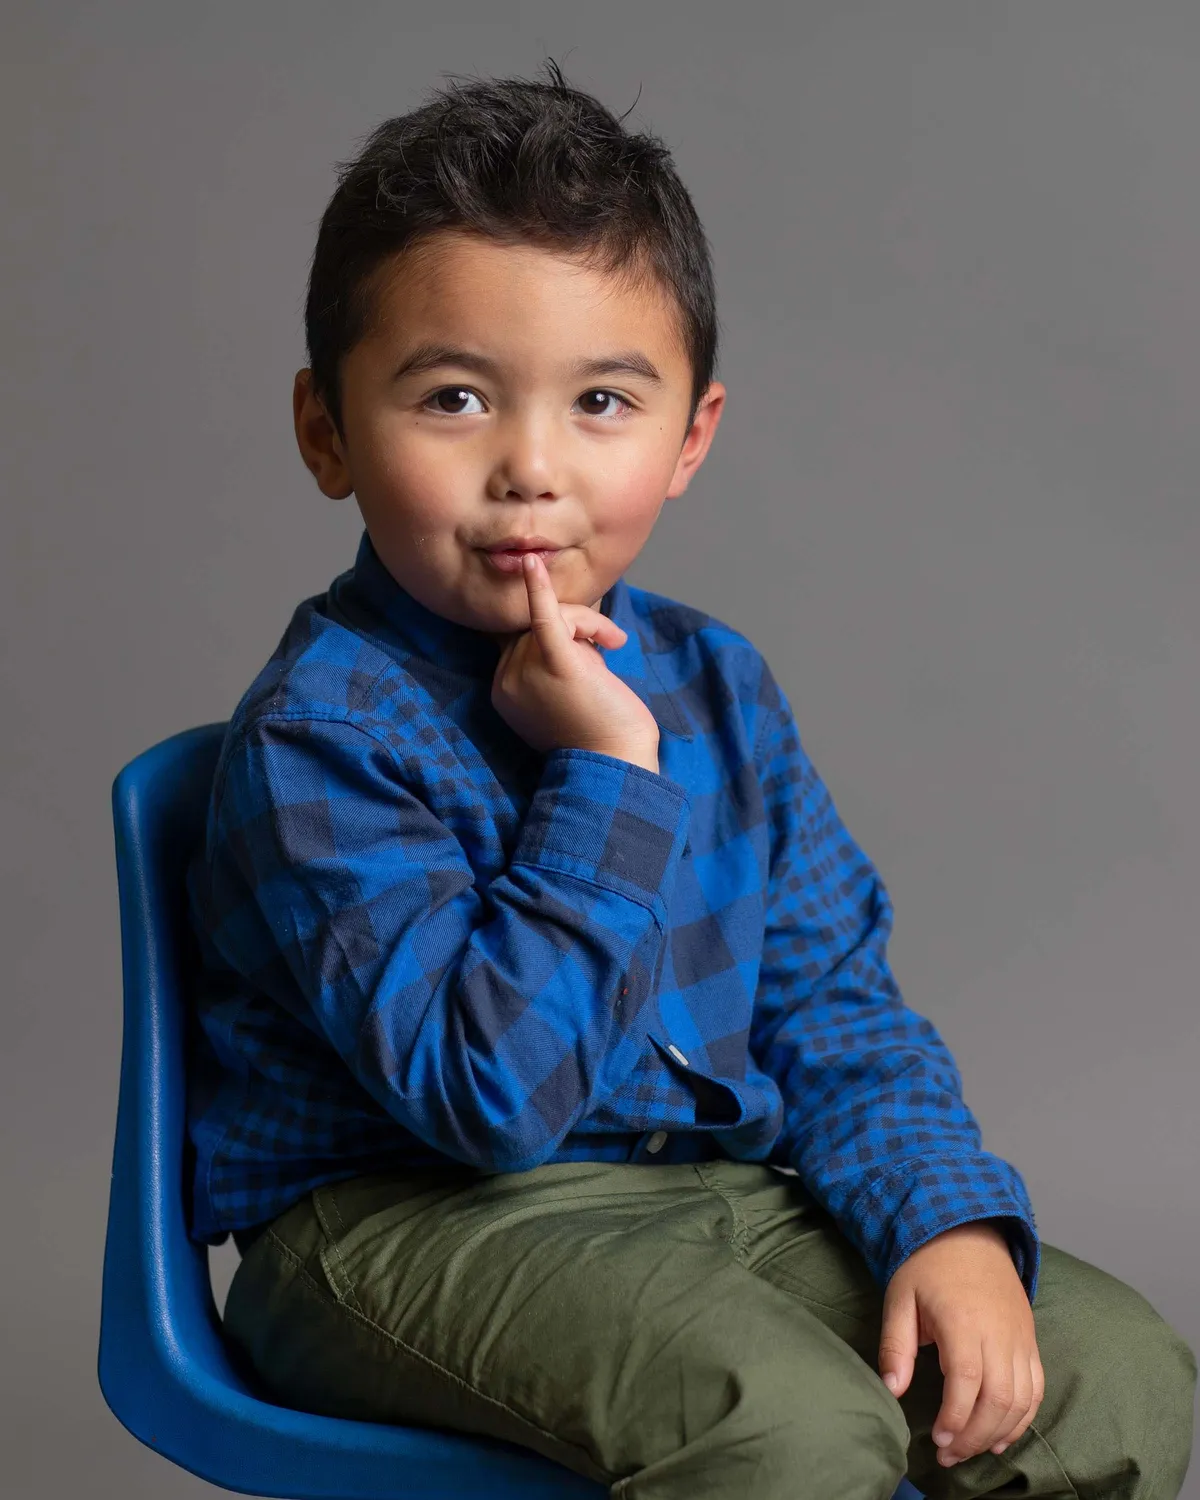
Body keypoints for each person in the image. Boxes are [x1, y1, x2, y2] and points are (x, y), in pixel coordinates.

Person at [184, 58, 1196, 1500]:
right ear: (327, 431)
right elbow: (489, 1099)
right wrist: (603, 772)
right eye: (456, 399)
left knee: (1112, 1376)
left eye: (602, 401)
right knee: (785, 1426)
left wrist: (944, 1224)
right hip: (398, 1227)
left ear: (690, 440)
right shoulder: (321, 737)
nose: (532, 467)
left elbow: (829, 1004)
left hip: (700, 1198)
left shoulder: (717, 686)